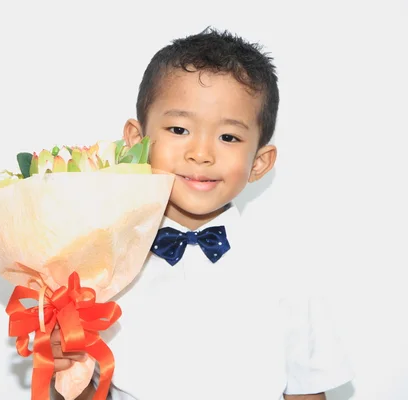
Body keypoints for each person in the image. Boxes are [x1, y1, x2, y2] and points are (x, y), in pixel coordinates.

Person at [50, 27, 353, 399]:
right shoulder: (99, 271)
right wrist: (67, 369)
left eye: (229, 137)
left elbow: (307, 393)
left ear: (259, 162)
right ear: (135, 140)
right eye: (179, 129)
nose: (201, 153)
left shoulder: (289, 271)